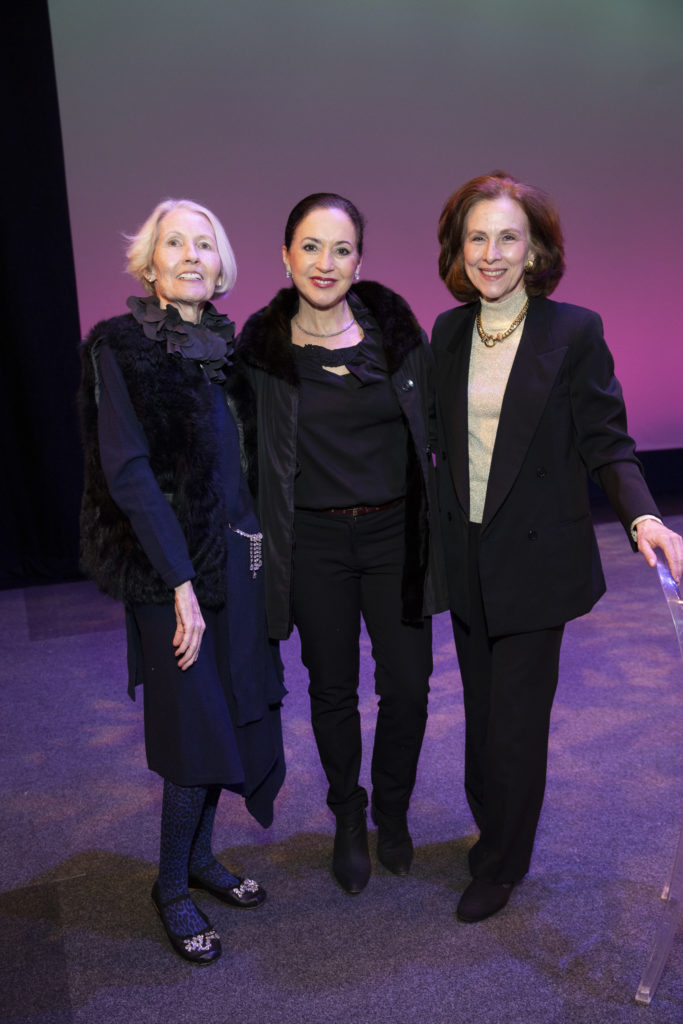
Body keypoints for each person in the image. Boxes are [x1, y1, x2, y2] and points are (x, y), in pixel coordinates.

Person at [432, 171, 683, 924]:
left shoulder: (572, 331)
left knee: (515, 721)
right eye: (477, 236)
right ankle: (492, 826)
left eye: (507, 236)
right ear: (459, 247)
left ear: (535, 248)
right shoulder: (446, 333)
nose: (491, 251)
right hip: (465, 553)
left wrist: (642, 519)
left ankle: (503, 862)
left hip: (536, 558)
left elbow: (606, 440)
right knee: (480, 714)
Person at [78, 199, 286, 964]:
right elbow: (128, 472)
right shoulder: (120, 347)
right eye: (176, 243)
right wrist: (179, 580)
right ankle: (169, 884)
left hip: (237, 568)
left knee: (228, 713)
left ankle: (200, 860)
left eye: (206, 244)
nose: (192, 255)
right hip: (169, 577)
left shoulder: (228, 350)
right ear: (150, 261)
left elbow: (247, 470)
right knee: (194, 725)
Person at [237, 193, 446, 894]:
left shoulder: (395, 334)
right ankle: (349, 817)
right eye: (310, 247)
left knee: (409, 688)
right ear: (285, 255)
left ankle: (391, 805)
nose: (325, 263)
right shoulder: (261, 353)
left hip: (395, 534)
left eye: (341, 249)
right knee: (331, 690)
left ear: (360, 258)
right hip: (314, 542)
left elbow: (437, 430)